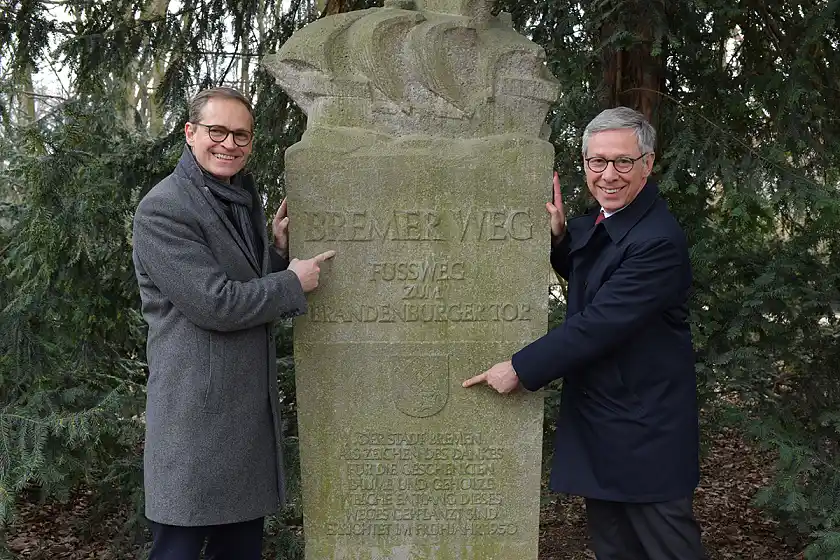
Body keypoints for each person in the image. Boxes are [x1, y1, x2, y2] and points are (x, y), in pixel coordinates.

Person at [463, 107, 706, 559]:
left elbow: (600, 323)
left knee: (669, 551)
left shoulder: (657, 240)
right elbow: (595, 272)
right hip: (606, 425)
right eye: (597, 162)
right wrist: (559, 239)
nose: (608, 175)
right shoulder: (607, 221)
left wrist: (520, 366)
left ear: (648, 164)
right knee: (616, 551)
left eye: (622, 162)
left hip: (644, 431)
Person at [131, 86, 335, 559]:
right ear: (190, 133)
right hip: (195, 425)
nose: (229, 144)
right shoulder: (164, 208)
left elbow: (240, 282)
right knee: (177, 552)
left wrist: (278, 250)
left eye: (241, 135)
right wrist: (290, 281)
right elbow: (215, 303)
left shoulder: (238, 196)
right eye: (216, 131)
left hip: (242, 424)